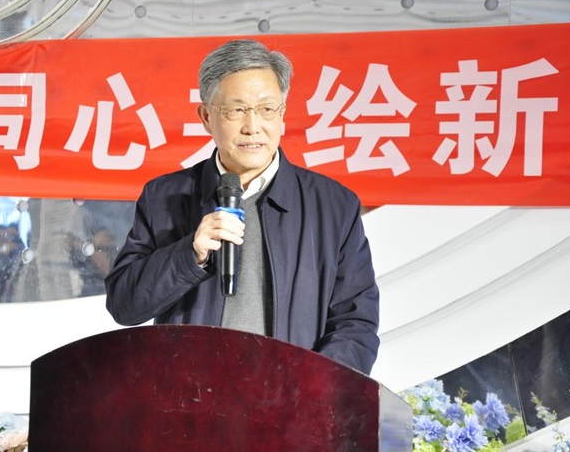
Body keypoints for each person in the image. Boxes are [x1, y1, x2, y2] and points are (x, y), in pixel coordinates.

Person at [105, 39, 380, 375]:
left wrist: (312, 389)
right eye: (236, 110)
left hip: (293, 399)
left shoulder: (334, 205)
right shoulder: (163, 197)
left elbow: (356, 323)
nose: (253, 126)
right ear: (206, 117)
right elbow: (125, 305)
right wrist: (189, 255)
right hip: (189, 396)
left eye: (267, 109)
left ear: (282, 115)